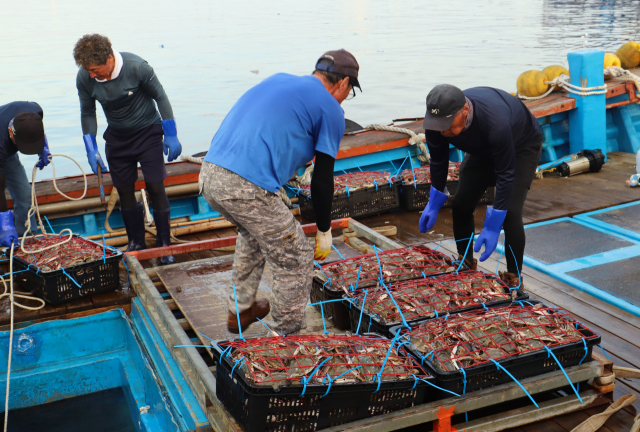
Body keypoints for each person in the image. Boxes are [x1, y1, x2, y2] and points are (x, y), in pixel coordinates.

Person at [200, 49, 360, 335]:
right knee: (296, 256)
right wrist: (324, 230)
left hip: (209, 175)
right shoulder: (331, 108)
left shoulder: (279, 80)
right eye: (349, 92)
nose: (345, 98)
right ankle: (285, 340)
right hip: (245, 186)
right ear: (344, 84)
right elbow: (322, 180)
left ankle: (241, 309)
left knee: (255, 232)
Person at [72, 34, 182, 264]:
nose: (91, 74)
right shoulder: (85, 78)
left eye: (94, 69)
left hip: (148, 132)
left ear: (109, 59)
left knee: (154, 185)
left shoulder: (137, 68)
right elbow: (87, 112)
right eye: (87, 70)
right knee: (123, 190)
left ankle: (164, 246)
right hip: (118, 138)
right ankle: (136, 243)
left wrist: (170, 133)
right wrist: (90, 147)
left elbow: (160, 97)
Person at [419, 85, 543, 287]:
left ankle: (514, 277)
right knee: (461, 204)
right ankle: (465, 262)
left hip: (521, 146)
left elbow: (506, 174)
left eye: (448, 124)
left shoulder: (496, 123)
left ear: (464, 111)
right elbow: (438, 160)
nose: (444, 131)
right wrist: (434, 202)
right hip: (482, 149)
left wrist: (493, 225)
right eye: (439, 125)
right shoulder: (437, 123)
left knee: (510, 212)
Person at [0, 102, 51, 247]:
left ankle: (27, 239)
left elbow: (37, 128)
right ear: (11, 133)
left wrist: (43, 147)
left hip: (7, 153)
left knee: (24, 194)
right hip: (1, 147)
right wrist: (5, 224)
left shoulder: (35, 111)